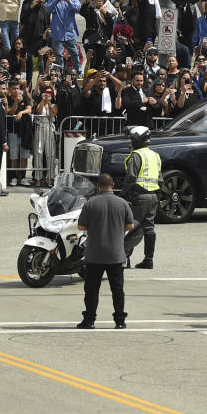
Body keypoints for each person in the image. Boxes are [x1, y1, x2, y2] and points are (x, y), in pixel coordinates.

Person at [76, 173, 134, 329]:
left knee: (92, 290)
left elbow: (81, 227)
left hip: (95, 254)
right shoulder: (122, 203)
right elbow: (130, 226)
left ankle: (89, 320)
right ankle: (120, 321)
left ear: (98, 186)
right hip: (115, 254)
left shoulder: (91, 203)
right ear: (113, 185)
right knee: (117, 290)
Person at [123, 125, 161, 269]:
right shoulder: (155, 155)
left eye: (132, 139)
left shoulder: (136, 155)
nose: (131, 142)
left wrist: (122, 194)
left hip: (139, 196)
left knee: (129, 226)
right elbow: (160, 179)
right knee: (149, 228)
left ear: (138, 140)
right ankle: (148, 260)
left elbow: (131, 178)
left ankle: (125, 259)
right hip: (153, 197)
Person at [44, 0, 81, 72]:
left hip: (70, 32)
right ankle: (59, 74)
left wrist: (69, 2)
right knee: (58, 55)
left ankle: (78, 72)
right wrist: (57, 0)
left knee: (75, 53)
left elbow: (78, 9)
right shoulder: (53, 0)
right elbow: (47, 10)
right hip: (57, 33)